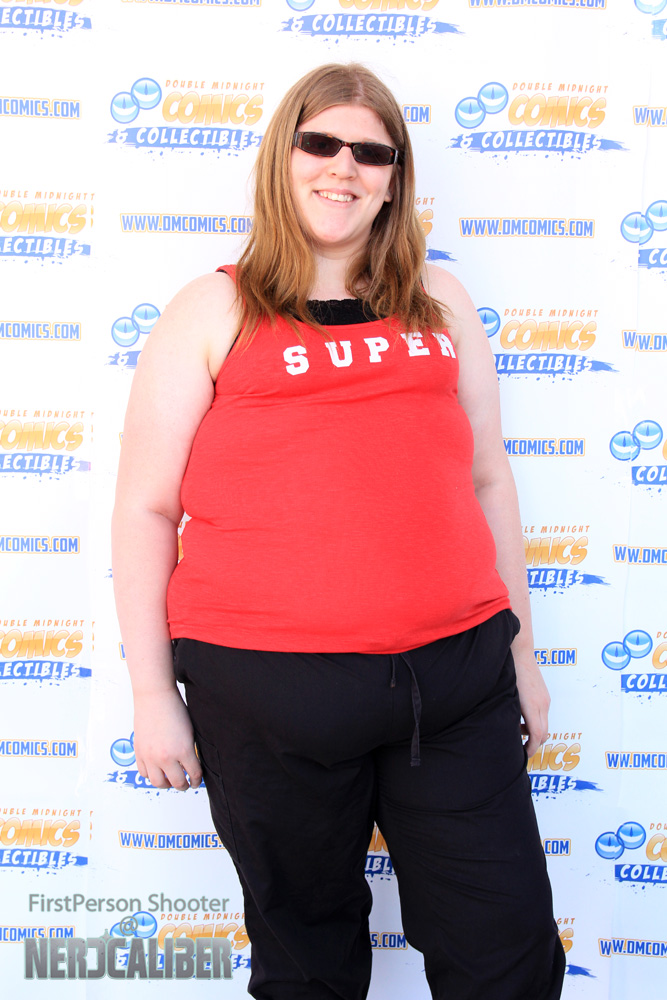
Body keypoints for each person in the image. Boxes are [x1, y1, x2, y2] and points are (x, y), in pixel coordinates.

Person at [112, 63, 565, 1000]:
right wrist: (152, 692)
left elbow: (487, 479)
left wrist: (520, 655)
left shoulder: (440, 301)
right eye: (319, 143)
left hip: (454, 681)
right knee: (306, 967)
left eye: (370, 152)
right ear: (283, 158)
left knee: (508, 954)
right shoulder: (214, 309)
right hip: (267, 690)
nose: (342, 167)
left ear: (394, 178)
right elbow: (146, 508)